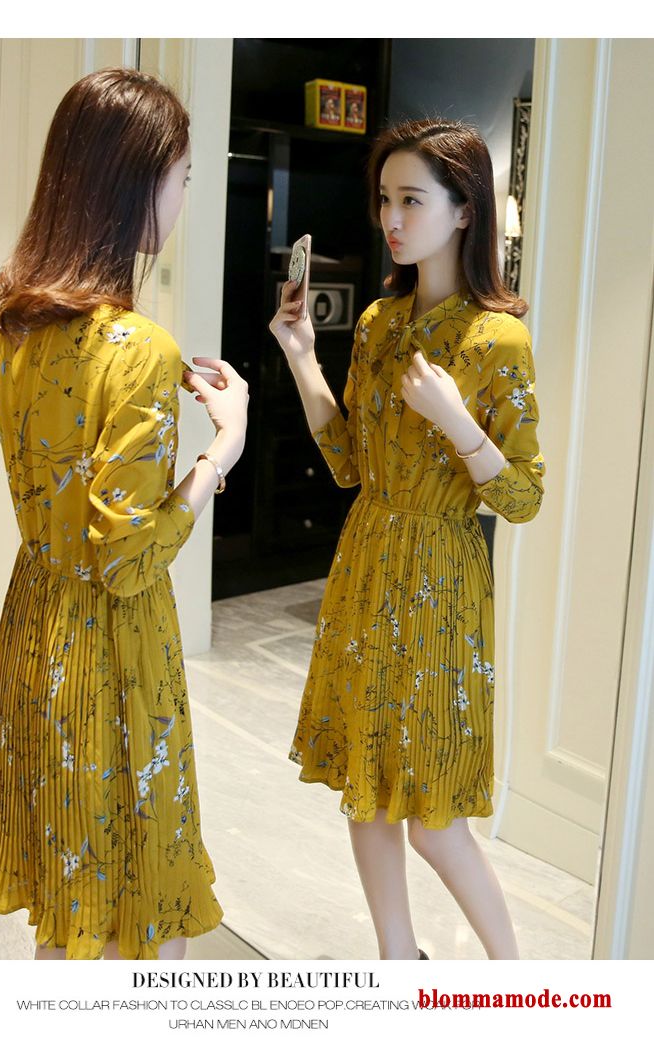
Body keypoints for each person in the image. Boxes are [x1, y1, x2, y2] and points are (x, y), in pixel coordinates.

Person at [0, 67, 248, 960]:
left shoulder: (17, 326)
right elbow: (127, 561)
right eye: (182, 176)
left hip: (34, 627)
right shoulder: (138, 349)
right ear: (138, 183)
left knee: (69, 900)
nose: (183, 197)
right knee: (146, 914)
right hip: (110, 650)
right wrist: (221, 451)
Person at [269, 118, 545, 960]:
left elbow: (524, 497)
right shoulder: (380, 323)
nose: (392, 218)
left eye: (413, 199)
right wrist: (303, 359)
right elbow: (349, 463)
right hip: (366, 561)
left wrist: (459, 421)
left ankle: (516, 979)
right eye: (385, 198)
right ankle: (399, 965)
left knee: (433, 817)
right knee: (365, 789)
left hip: (441, 579)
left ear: (464, 210)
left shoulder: (498, 338)